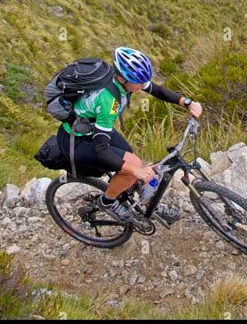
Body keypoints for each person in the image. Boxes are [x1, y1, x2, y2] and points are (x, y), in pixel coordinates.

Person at [57, 46, 203, 223]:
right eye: (139, 83)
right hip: (78, 140)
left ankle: (144, 202)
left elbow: (156, 90)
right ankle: (107, 201)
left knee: (135, 162)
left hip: (95, 127)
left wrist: (186, 102)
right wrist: (135, 171)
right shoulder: (109, 101)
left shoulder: (125, 80)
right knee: (132, 169)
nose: (143, 86)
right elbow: (101, 150)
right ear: (122, 79)